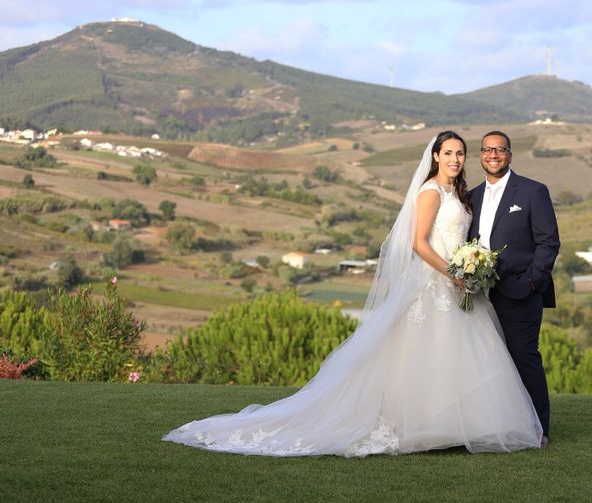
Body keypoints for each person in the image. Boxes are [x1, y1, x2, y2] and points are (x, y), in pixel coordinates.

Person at [163, 131, 543, 457]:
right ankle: (421, 425)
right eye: (449, 153)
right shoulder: (430, 192)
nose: (456, 159)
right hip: (435, 282)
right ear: (435, 157)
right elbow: (417, 242)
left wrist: (466, 270)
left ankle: (457, 426)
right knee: (426, 357)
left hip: (458, 286)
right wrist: (453, 273)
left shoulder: (458, 193)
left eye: (460, 153)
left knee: (459, 359)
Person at [468, 130, 560, 449]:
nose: (493, 155)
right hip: (479, 296)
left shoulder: (533, 192)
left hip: (521, 293)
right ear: (480, 155)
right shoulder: (473, 196)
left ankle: (539, 430)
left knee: (524, 359)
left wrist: (532, 281)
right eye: (487, 150)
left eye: (500, 150)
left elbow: (549, 242)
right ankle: (497, 424)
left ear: (510, 154)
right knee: (488, 363)